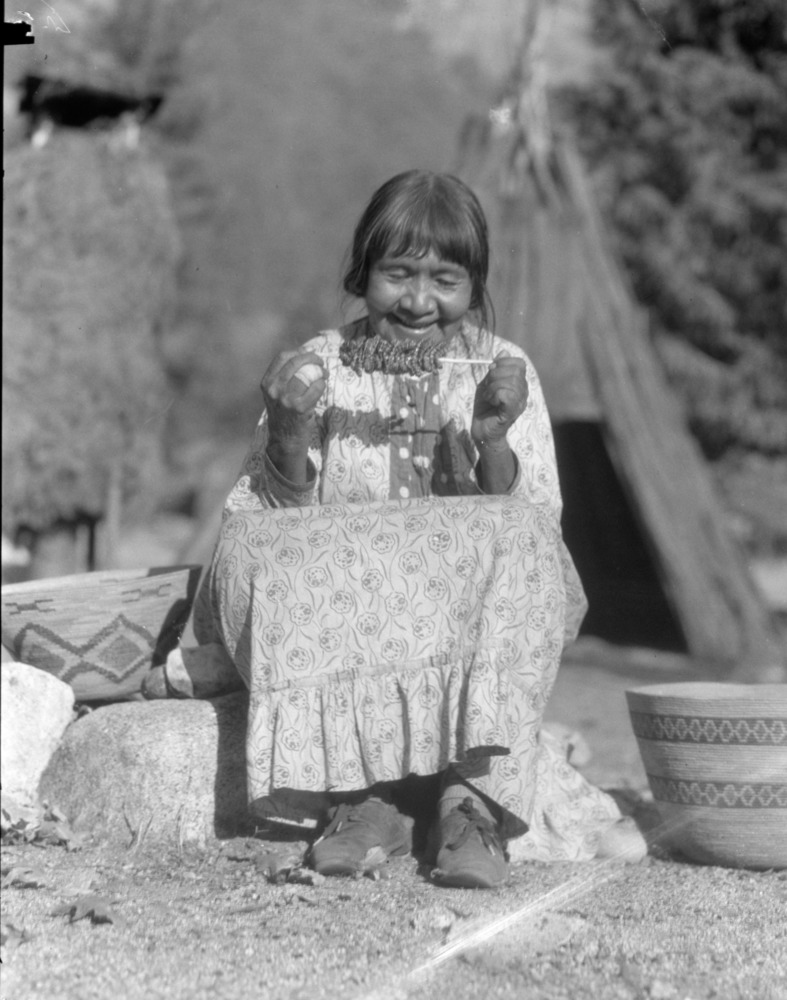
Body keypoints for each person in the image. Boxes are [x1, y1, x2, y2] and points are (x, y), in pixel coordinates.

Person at [186, 170, 632, 888]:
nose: (420, 303)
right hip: (348, 622)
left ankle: (470, 802)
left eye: (445, 281)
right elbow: (267, 527)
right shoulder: (320, 367)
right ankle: (364, 796)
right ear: (362, 274)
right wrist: (290, 433)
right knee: (246, 544)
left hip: (459, 621)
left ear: (474, 287)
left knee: (522, 538)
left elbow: (536, 534)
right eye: (397, 274)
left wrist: (492, 440)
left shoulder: (502, 369)